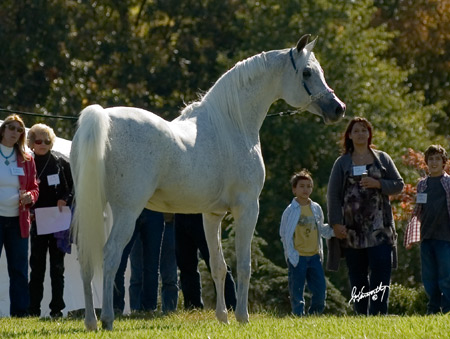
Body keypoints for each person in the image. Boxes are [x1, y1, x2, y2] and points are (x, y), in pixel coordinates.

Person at [327, 117, 404, 315]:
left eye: (364, 130)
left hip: (380, 230)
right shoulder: (342, 162)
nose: (360, 134)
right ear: (349, 136)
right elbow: (333, 195)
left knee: (381, 273)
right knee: (357, 276)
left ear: (369, 134)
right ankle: (361, 315)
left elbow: (399, 185)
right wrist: (335, 223)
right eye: (356, 131)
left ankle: (378, 315)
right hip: (352, 232)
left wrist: (379, 184)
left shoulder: (382, 158)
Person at [27, 124, 73, 318]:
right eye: (38, 141)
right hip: (36, 220)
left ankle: (57, 310)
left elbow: (72, 188)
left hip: (57, 221)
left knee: (57, 268)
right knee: (36, 267)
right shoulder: (26, 162)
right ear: (31, 142)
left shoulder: (61, 162)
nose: (43, 144)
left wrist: (65, 198)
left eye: (47, 141)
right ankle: (33, 309)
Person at [279, 169, 334, 316]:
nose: (306, 189)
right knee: (296, 291)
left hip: (315, 256)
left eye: (309, 186)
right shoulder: (290, 211)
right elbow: (284, 234)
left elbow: (322, 229)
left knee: (320, 290)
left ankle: (314, 315)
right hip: (298, 257)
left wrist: (335, 230)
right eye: (302, 186)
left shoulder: (316, 208)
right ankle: (298, 316)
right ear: (294, 189)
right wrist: (290, 254)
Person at [0, 115, 39, 317]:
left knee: (19, 270)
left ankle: (20, 314)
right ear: (3, 129)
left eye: (20, 130)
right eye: (11, 127)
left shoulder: (27, 157)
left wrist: (29, 197)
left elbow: (34, 187)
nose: (15, 132)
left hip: (19, 221)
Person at [404, 145, 450, 314]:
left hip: (445, 237)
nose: (434, 162)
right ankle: (433, 307)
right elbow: (418, 209)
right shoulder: (422, 184)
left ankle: (447, 308)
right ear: (426, 163)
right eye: (431, 159)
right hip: (426, 236)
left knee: (446, 276)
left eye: (438, 159)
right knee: (429, 277)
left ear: (444, 162)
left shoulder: (448, 182)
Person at [174, 213, 237, 310]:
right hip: (180, 214)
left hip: (203, 215)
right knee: (185, 265)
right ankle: (193, 308)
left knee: (216, 263)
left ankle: (230, 306)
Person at [113, 207, 164, 314]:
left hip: (153, 210)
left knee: (152, 266)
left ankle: (149, 309)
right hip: (129, 210)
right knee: (118, 263)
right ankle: (116, 308)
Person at [129, 213, 178, 314]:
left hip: (167, 221)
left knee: (169, 276)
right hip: (136, 220)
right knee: (137, 275)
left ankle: (169, 312)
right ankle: (137, 311)